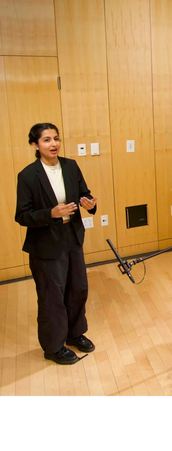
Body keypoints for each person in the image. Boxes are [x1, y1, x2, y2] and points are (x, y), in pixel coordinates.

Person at [15, 123, 98, 365]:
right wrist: (50, 213)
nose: (54, 144)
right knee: (52, 297)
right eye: (47, 140)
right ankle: (53, 347)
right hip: (45, 243)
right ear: (35, 145)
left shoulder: (71, 166)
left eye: (56, 138)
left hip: (72, 236)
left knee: (78, 288)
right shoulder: (28, 175)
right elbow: (22, 216)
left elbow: (84, 192)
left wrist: (89, 204)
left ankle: (74, 333)